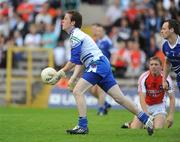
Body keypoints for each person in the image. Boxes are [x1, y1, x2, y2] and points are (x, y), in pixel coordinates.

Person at [47, 10, 153, 135]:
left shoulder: (75, 36)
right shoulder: (77, 35)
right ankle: (146, 119)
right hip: (102, 64)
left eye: (65, 19)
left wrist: (60, 73)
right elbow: (80, 61)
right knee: (119, 98)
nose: (62, 21)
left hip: (97, 64)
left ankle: (82, 126)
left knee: (77, 91)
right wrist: (73, 78)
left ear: (73, 22)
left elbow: (74, 60)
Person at [121, 56, 175, 129]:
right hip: (145, 105)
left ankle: (152, 122)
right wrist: (146, 115)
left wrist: (171, 115)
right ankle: (131, 124)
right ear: (149, 66)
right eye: (151, 64)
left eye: (156, 64)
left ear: (161, 67)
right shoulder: (143, 77)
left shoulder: (167, 79)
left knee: (158, 129)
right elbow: (142, 97)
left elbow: (172, 98)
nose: (153, 67)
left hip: (159, 106)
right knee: (135, 128)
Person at [160, 19, 180, 92]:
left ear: (171, 30)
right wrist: (164, 80)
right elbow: (168, 62)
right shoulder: (164, 45)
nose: (161, 31)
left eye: (164, 29)